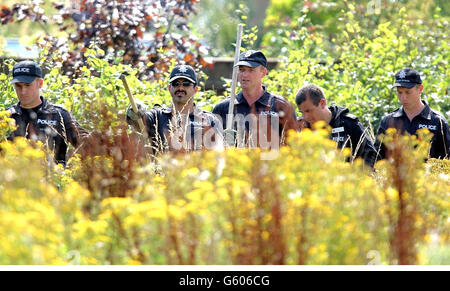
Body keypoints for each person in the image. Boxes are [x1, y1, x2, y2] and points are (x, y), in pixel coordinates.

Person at [7, 60, 88, 166]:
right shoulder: (6, 117)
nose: (23, 92)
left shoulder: (59, 115)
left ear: (40, 83)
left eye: (27, 85)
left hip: (53, 180)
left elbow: (85, 144)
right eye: (18, 86)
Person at [126, 64, 222, 153]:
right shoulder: (157, 116)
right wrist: (135, 111)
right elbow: (138, 121)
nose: (180, 88)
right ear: (169, 88)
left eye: (186, 84)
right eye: (176, 83)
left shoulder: (210, 120)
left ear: (195, 89)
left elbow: (219, 155)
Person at [212, 50, 298, 148]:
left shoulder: (281, 106)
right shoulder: (224, 108)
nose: (244, 75)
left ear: (263, 72)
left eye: (251, 70)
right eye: (242, 70)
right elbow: (210, 150)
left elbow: (294, 147)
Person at [295, 83, 377, 167]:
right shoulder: (302, 129)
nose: (306, 117)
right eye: (302, 112)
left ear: (322, 103)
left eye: (308, 111)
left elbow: (371, 156)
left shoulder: (349, 124)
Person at [375, 68, 449, 160]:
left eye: (408, 92)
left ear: (420, 89)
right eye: (399, 92)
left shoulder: (437, 121)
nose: (403, 97)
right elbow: (377, 158)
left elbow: (447, 159)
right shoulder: (388, 121)